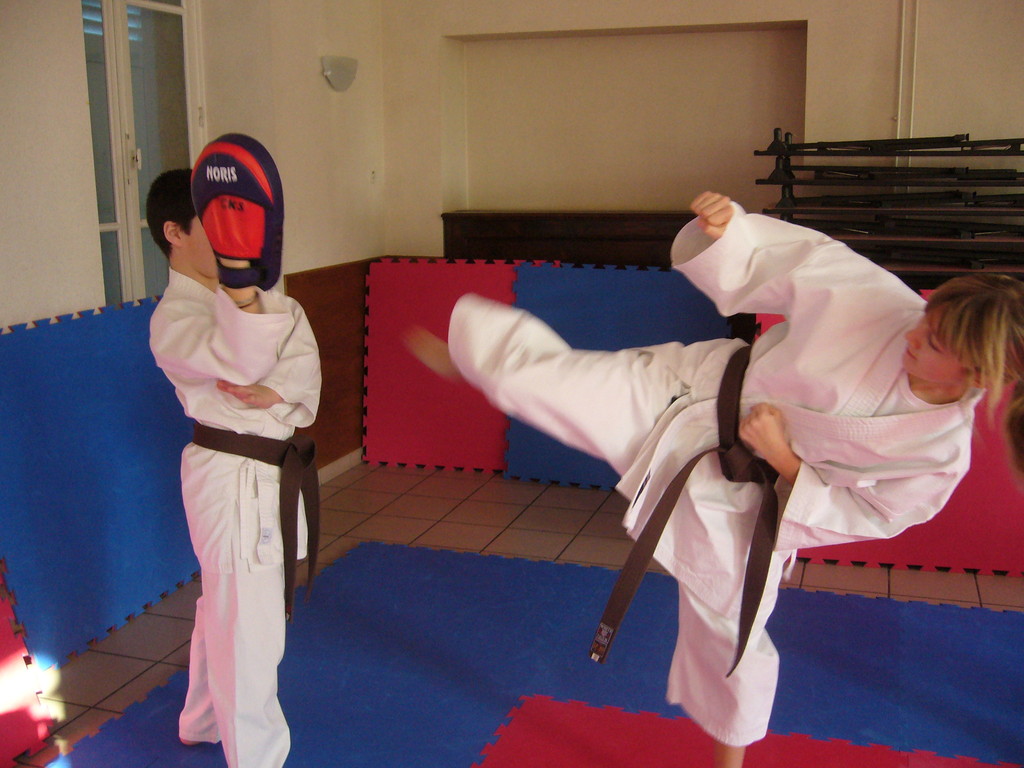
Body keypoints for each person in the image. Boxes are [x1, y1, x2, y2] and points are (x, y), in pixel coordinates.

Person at [406, 191, 1024, 768]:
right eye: (927, 316)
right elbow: (807, 259)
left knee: (733, 637)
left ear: (977, 375)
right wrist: (732, 234)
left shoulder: (938, 453)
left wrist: (785, 460)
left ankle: (728, 761)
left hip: (749, 500)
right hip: (691, 393)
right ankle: (481, 362)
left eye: (933, 341)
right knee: (549, 382)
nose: (913, 331)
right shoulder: (883, 303)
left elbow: (875, 514)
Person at [146, 139, 321, 768]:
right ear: (175, 234)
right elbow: (243, 358)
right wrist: (262, 363)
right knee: (248, 631)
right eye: (212, 226)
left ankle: (199, 719)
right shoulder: (175, 317)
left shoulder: (254, 295)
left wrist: (278, 390)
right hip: (233, 478)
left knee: (226, 607)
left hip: (269, 469)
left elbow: (301, 347)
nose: (228, 241)